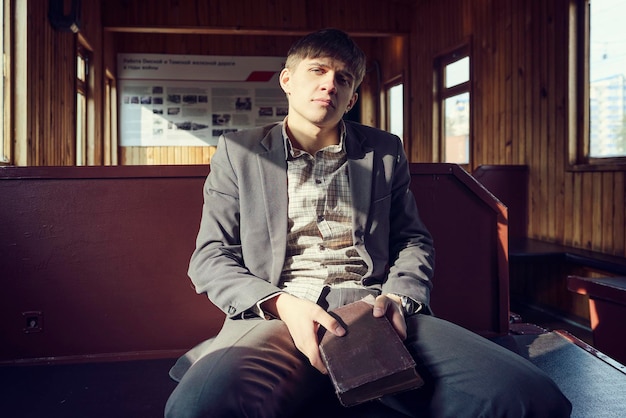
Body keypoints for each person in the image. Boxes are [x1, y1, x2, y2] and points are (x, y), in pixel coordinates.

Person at [165, 28, 572, 418]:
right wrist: (281, 303)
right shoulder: (239, 151)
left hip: (373, 308)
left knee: (531, 398)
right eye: (318, 71)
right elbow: (211, 257)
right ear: (287, 80)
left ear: (353, 95)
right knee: (197, 408)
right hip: (279, 310)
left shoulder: (384, 151)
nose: (330, 84)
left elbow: (413, 240)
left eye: (343, 78)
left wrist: (397, 299)